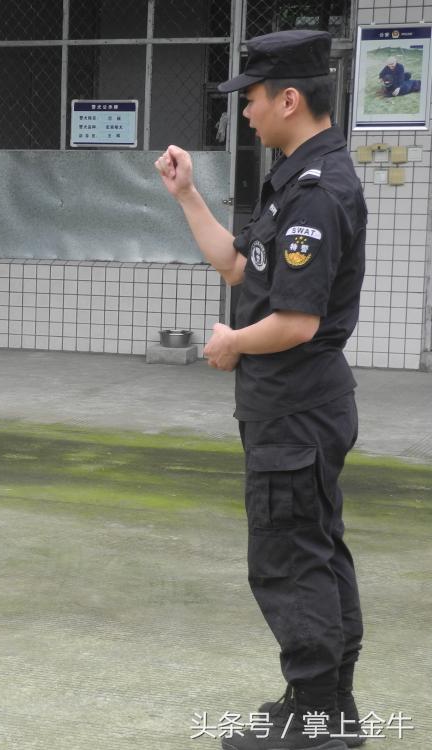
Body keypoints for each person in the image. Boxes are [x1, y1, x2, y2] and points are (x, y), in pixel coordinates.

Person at [154, 30, 367, 750]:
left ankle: (319, 719)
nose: (242, 114)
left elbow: (298, 321)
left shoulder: (318, 192)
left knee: (288, 558)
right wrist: (187, 196)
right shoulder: (294, 181)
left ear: (289, 99)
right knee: (315, 548)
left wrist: (232, 343)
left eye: (248, 101)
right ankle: (326, 706)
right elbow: (245, 271)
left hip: (297, 405)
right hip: (296, 406)